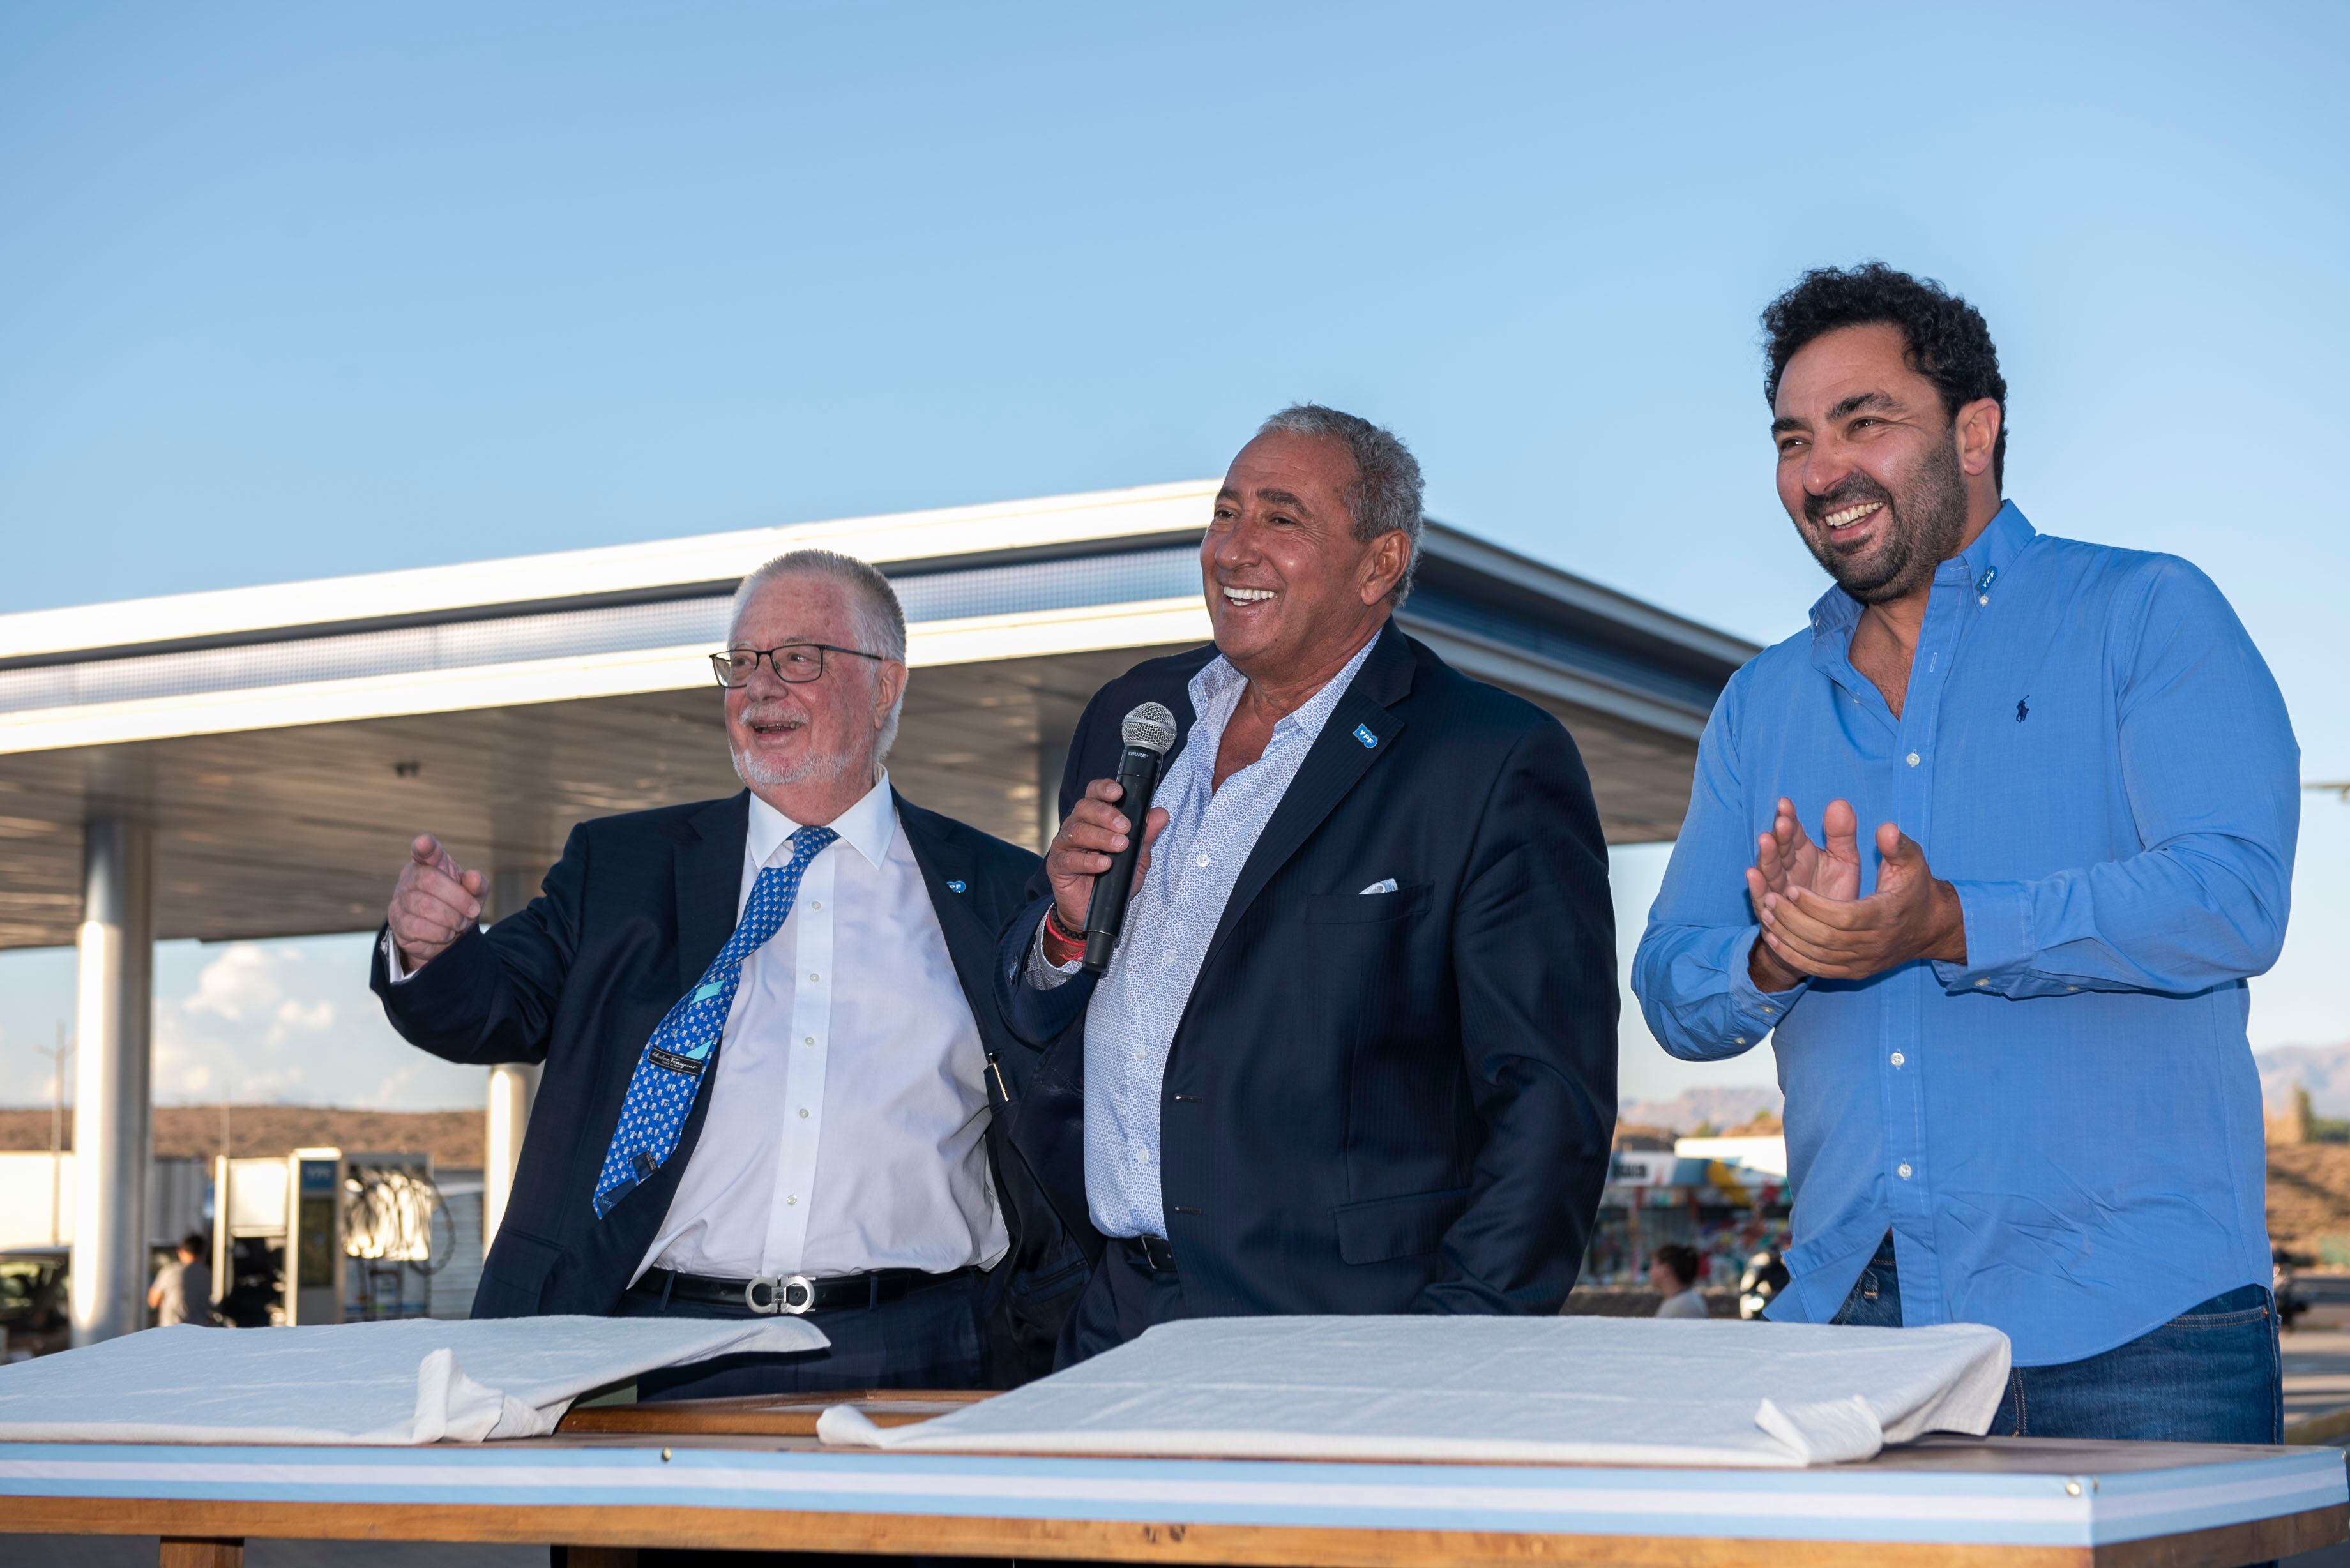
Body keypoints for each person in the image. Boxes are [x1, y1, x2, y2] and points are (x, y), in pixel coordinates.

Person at [1632, 264, 2297, 1444]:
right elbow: (1675, 984)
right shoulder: (1761, 702)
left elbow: (2233, 896)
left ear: (1976, 430)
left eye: (1864, 422)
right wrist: (1783, 955)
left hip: (2140, 1334)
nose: (1820, 470)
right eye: (1793, 438)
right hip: (1859, 1335)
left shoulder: (2146, 613)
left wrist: (1950, 922)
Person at [372, 549, 1085, 1396]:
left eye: (797, 659)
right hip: (661, 1356)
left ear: (886, 686)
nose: (758, 688)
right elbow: (492, 1009)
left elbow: (1064, 1104)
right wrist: (431, 951)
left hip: (929, 1351)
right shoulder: (623, 870)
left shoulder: (999, 888)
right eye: (741, 663)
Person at [996, 403, 1618, 1364]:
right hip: (1111, 1322)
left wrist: (1462, 1345)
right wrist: (1064, 935)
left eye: (1281, 520)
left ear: (1380, 565)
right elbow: (1042, 1025)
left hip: (1349, 1339)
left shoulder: (1488, 759)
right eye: (1224, 513)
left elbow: (1546, 1101)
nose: (1233, 550)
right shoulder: (1139, 715)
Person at [147, 1233, 214, 1328]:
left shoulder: (169, 1271)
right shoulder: (208, 1274)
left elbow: (153, 1302)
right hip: (199, 1332)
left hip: (170, 1331)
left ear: (181, 1252)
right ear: (203, 1253)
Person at [1649, 1244, 1707, 1320]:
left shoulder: (1686, 1305)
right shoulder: (1680, 1301)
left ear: (1667, 1269)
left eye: (1654, 1265)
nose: (1650, 1271)